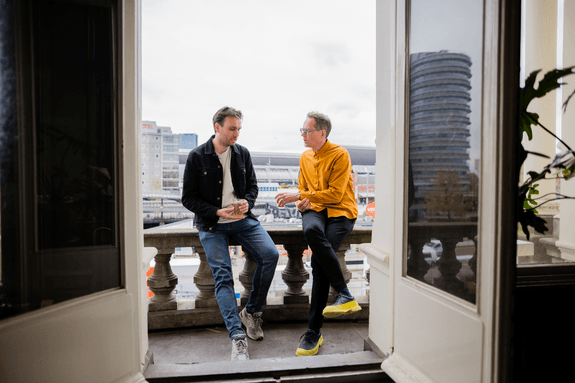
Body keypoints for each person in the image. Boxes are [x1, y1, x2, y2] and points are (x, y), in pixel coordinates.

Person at [182, 106, 279, 361]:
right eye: (232, 128)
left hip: (243, 221)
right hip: (212, 224)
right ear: (217, 127)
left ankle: (252, 312)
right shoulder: (196, 156)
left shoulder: (242, 154)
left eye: (239, 129)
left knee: (270, 255)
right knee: (224, 276)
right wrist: (216, 211)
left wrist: (247, 202)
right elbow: (188, 198)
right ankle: (237, 337)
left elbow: (253, 188)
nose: (236, 133)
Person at [275, 111, 361, 357]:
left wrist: (300, 196)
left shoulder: (340, 154)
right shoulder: (305, 157)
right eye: (302, 130)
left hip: (340, 210)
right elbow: (304, 190)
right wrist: (301, 201)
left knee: (318, 262)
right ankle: (344, 293)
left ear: (322, 133)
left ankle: (313, 331)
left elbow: (334, 195)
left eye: (307, 130)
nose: (302, 134)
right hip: (315, 209)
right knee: (311, 229)